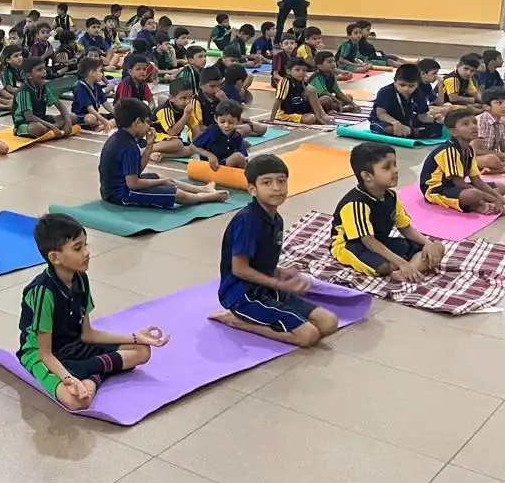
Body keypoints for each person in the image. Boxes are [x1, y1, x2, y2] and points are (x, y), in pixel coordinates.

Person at [17, 213, 164, 410]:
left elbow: (88, 334)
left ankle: (91, 374)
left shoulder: (81, 279)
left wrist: (135, 338)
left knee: (142, 351)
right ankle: (94, 373)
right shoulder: (43, 292)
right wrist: (70, 380)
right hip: (43, 354)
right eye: (78, 248)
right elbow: (46, 353)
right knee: (77, 401)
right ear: (55, 257)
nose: (87, 252)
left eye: (86, 244)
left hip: (75, 346)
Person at [211, 154, 339, 347]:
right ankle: (236, 320)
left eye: (282, 181)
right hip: (242, 294)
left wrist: (283, 274)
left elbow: (262, 262)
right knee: (308, 336)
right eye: (267, 183)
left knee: (329, 322)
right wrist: (278, 283)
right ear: (252, 189)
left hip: (266, 289)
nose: (277, 188)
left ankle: (272, 316)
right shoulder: (247, 221)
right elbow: (239, 269)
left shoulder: (276, 219)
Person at [331, 142, 445, 282]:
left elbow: (406, 228)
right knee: (383, 266)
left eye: (395, 165)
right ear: (367, 176)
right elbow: (368, 241)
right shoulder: (356, 203)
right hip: (350, 245)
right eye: (387, 167)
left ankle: (403, 273)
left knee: (437, 247)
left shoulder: (391, 196)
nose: (395, 170)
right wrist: (401, 262)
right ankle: (408, 268)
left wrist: (428, 244)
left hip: (380, 241)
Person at [100, 99, 229, 209]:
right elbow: (133, 184)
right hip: (119, 194)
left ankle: (203, 189)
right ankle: (203, 197)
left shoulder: (121, 137)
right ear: (137, 122)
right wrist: (161, 182)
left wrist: (150, 145)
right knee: (176, 194)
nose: (149, 125)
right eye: (146, 122)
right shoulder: (128, 146)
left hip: (121, 185)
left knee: (159, 178)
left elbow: (137, 171)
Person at [420, 109, 505, 214]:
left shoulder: (469, 150)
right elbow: (460, 184)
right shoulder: (449, 150)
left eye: (474, 122)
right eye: (465, 124)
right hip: (437, 189)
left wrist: (497, 198)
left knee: (501, 186)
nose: (473, 126)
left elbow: (477, 180)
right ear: (453, 132)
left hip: (456, 187)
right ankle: (477, 205)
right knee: (473, 195)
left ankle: (480, 203)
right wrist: (494, 198)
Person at [13, 57, 73, 138]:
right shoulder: (24, 91)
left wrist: (68, 121)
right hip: (26, 123)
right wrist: (53, 126)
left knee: (72, 117)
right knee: (36, 128)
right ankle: (54, 128)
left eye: (44, 68)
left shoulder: (43, 87)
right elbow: (29, 117)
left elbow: (59, 104)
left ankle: (53, 128)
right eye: (39, 70)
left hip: (42, 119)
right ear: (29, 75)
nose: (44, 71)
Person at [272, 58, 331, 125]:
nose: (301, 72)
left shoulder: (303, 82)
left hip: (300, 109)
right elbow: (277, 101)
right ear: (289, 71)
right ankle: (316, 116)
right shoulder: (285, 82)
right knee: (310, 119)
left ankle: (320, 115)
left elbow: (313, 99)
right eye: (297, 70)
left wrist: (320, 115)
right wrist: (271, 119)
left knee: (314, 91)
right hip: (288, 113)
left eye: (304, 70)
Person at [193, 100, 250, 169]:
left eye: (231, 122)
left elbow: (244, 157)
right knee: (237, 157)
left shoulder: (236, 135)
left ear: (238, 121)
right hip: (213, 166)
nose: (226, 125)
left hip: (228, 166)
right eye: (222, 122)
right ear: (216, 119)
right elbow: (193, 146)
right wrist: (210, 155)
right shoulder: (212, 131)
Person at [475, 87, 505, 173]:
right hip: (472, 158)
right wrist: (502, 155)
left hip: (490, 156)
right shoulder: (481, 121)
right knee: (491, 159)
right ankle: (499, 170)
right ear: (487, 107)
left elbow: (503, 147)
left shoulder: (501, 122)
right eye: (500, 103)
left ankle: (494, 170)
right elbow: (476, 150)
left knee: (494, 158)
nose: (504, 105)